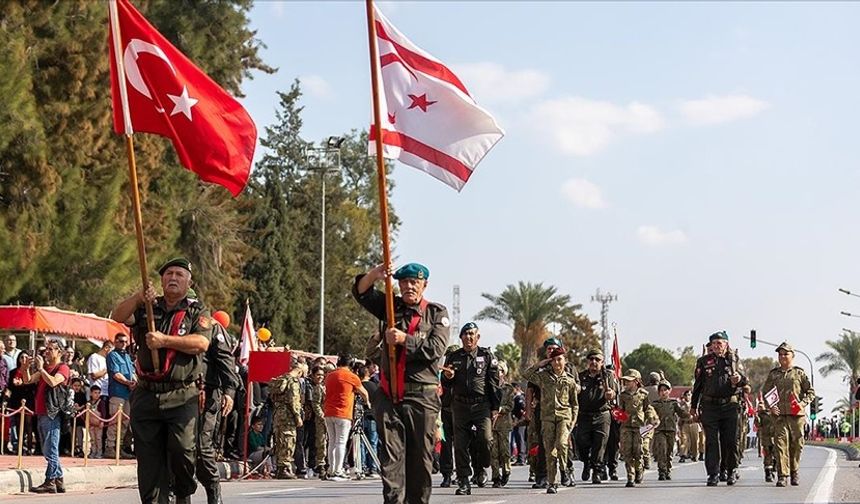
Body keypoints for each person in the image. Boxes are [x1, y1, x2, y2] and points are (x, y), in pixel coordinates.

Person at [111, 257, 212, 504]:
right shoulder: (149, 307)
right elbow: (118, 316)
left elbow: (201, 343)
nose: (173, 278)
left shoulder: (196, 310)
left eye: (179, 274)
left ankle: (182, 491)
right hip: (147, 393)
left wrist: (165, 341)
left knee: (182, 451)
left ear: (189, 281)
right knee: (148, 459)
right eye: (168, 274)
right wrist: (138, 298)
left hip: (181, 394)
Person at [353, 262, 449, 504]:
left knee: (420, 461)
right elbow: (361, 292)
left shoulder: (436, 313)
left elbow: (435, 349)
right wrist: (375, 274)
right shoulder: (391, 308)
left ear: (424, 285)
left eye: (414, 282)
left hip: (422, 399)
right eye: (404, 282)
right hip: (390, 396)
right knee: (392, 460)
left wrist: (405, 339)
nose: (408, 286)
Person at [441, 322, 500, 495]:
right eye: (465, 334)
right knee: (460, 445)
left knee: (485, 438)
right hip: (459, 405)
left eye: (472, 334)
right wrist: (447, 376)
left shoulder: (486, 355)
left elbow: (494, 383)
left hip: (482, 405)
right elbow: (446, 382)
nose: (468, 337)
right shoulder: (453, 356)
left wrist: (495, 407)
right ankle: (464, 481)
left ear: (478, 337)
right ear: (461, 338)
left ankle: (482, 466)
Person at [690, 331, 747, 487]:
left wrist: (739, 379)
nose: (716, 346)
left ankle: (731, 470)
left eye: (719, 343)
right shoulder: (703, 361)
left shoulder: (734, 360)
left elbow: (745, 380)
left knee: (730, 440)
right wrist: (693, 407)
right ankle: (713, 474)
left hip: (730, 406)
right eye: (714, 343)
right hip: (710, 407)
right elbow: (698, 386)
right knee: (712, 442)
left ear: (726, 344)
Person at [523, 347, 579, 494]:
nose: (556, 362)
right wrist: (540, 364)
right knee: (549, 452)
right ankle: (552, 483)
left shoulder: (570, 380)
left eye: (559, 359)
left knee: (561, 444)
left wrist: (573, 421)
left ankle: (564, 468)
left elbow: (575, 404)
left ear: (565, 361)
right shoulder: (543, 377)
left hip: (564, 417)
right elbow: (526, 374)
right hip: (547, 418)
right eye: (553, 360)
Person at [196, 315, 239, 503]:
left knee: (202, 446)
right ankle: (174, 491)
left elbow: (225, 361)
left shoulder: (211, 327)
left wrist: (229, 391)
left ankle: (213, 490)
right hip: (178, 394)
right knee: (175, 446)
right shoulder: (171, 321)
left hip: (207, 393)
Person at [763, 341, 815, 487]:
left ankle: (794, 471)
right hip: (779, 416)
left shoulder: (799, 373)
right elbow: (766, 392)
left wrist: (802, 404)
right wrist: (771, 406)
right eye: (780, 354)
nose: (783, 356)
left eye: (786, 354)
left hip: (796, 416)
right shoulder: (773, 374)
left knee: (797, 444)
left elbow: (810, 392)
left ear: (793, 355)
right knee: (780, 445)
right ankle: (782, 475)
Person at [22, 339, 70, 493]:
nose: (47, 352)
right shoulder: (45, 368)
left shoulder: (62, 368)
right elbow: (28, 380)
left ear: (59, 352)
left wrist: (42, 369)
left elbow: (54, 382)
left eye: (51, 349)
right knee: (48, 447)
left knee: (50, 447)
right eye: (46, 349)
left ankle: (50, 480)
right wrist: (25, 368)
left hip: (53, 413)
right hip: (41, 412)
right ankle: (59, 479)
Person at [575, 349, 618, 484]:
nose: (594, 362)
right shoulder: (581, 376)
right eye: (591, 359)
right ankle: (586, 462)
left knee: (600, 444)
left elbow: (614, 392)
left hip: (602, 415)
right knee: (581, 442)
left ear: (602, 362)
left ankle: (597, 471)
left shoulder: (607, 376)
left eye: (597, 360)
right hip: (584, 416)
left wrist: (611, 394)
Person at [324, 355, 369, 481]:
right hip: (343, 413)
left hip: (328, 411)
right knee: (341, 442)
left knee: (332, 442)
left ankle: (331, 469)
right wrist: (368, 402)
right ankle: (338, 471)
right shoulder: (351, 376)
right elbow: (364, 392)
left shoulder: (330, 375)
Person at [617, 369, 658, 488]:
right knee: (627, 452)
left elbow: (647, 408)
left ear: (636, 381)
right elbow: (620, 410)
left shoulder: (643, 394)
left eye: (629, 381)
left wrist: (650, 418)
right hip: (626, 427)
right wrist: (618, 415)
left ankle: (639, 470)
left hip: (639, 426)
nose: (626, 383)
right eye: (625, 381)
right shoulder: (623, 396)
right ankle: (630, 476)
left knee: (638, 451)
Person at [269, 361, 305, 479]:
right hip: (288, 416)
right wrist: (298, 416)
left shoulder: (280, 379)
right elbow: (293, 400)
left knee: (280, 440)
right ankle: (284, 468)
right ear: (299, 371)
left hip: (278, 413)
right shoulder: (293, 382)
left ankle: (280, 467)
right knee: (288, 440)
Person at [651, 380, 689, 480]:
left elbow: (681, 413)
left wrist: (691, 415)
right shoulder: (655, 404)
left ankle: (668, 470)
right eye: (661, 390)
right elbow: (649, 413)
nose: (663, 392)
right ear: (658, 392)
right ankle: (662, 471)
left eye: (665, 390)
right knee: (662, 450)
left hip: (671, 429)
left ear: (669, 391)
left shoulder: (674, 403)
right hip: (660, 430)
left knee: (669, 451)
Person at [106, 333, 136, 458]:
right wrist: (128, 382)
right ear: (115, 341)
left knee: (124, 423)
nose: (124, 344)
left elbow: (132, 372)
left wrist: (135, 383)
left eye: (125, 342)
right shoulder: (112, 355)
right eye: (121, 341)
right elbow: (116, 374)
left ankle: (119, 447)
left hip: (128, 394)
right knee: (115, 421)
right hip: (117, 392)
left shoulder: (127, 356)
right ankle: (110, 448)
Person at [438, 344, 460, 488]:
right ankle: (447, 474)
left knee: (461, 445)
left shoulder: (463, 372)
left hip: (461, 413)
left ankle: (462, 474)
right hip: (445, 411)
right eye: (448, 357)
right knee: (445, 446)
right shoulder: (441, 374)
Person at [490, 360, 513, 488]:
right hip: (492, 424)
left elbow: (510, 405)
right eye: (495, 370)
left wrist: (500, 409)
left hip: (503, 424)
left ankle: (506, 471)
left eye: (500, 370)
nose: (497, 373)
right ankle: (495, 477)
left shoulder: (508, 388)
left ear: (503, 373)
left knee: (504, 451)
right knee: (493, 451)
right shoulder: (489, 387)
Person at [309, 365, 328, 478]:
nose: (320, 377)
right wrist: (321, 416)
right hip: (321, 419)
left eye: (322, 375)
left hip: (329, 417)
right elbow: (315, 404)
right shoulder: (317, 388)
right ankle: (320, 464)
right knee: (321, 442)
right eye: (318, 375)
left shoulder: (325, 387)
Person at [756, 399, 776, 482]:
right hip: (766, 437)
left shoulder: (775, 412)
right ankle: (768, 474)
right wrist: (757, 417)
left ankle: (774, 468)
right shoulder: (761, 415)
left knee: (777, 455)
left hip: (775, 437)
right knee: (767, 456)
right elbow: (758, 425)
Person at [86, 384, 108, 459]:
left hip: (98, 424)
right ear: (91, 393)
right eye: (95, 393)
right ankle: (93, 451)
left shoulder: (101, 402)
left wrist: (102, 421)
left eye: (99, 393)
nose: (97, 395)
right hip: (91, 423)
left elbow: (103, 413)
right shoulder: (88, 403)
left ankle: (99, 452)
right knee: (92, 438)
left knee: (98, 438)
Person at [678, 390, 699, 462]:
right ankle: (683, 455)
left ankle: (695, 455)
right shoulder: (681, 405)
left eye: (689, 395)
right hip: (685, 424)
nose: (687, 396)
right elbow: (680, 415)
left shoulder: (695, 404)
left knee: (695, 440)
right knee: (684, 440)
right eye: (686, 395)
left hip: (694, 423)